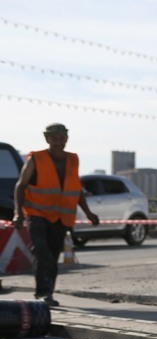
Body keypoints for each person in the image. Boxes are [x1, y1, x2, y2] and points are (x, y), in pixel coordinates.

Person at [12, 123, 99, 307]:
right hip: (37, 214)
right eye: (54, 139)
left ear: (66, 139)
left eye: (62, 138)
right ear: (47, 139)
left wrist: (89, 212)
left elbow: (76, 189)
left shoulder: (73, 160)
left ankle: (47, 293)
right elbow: (20, 185)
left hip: (60, 217)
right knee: (43, 252)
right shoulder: (36, 159)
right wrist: (18, 213)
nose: (59, 142)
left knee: (52, 254)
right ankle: (43, 293)